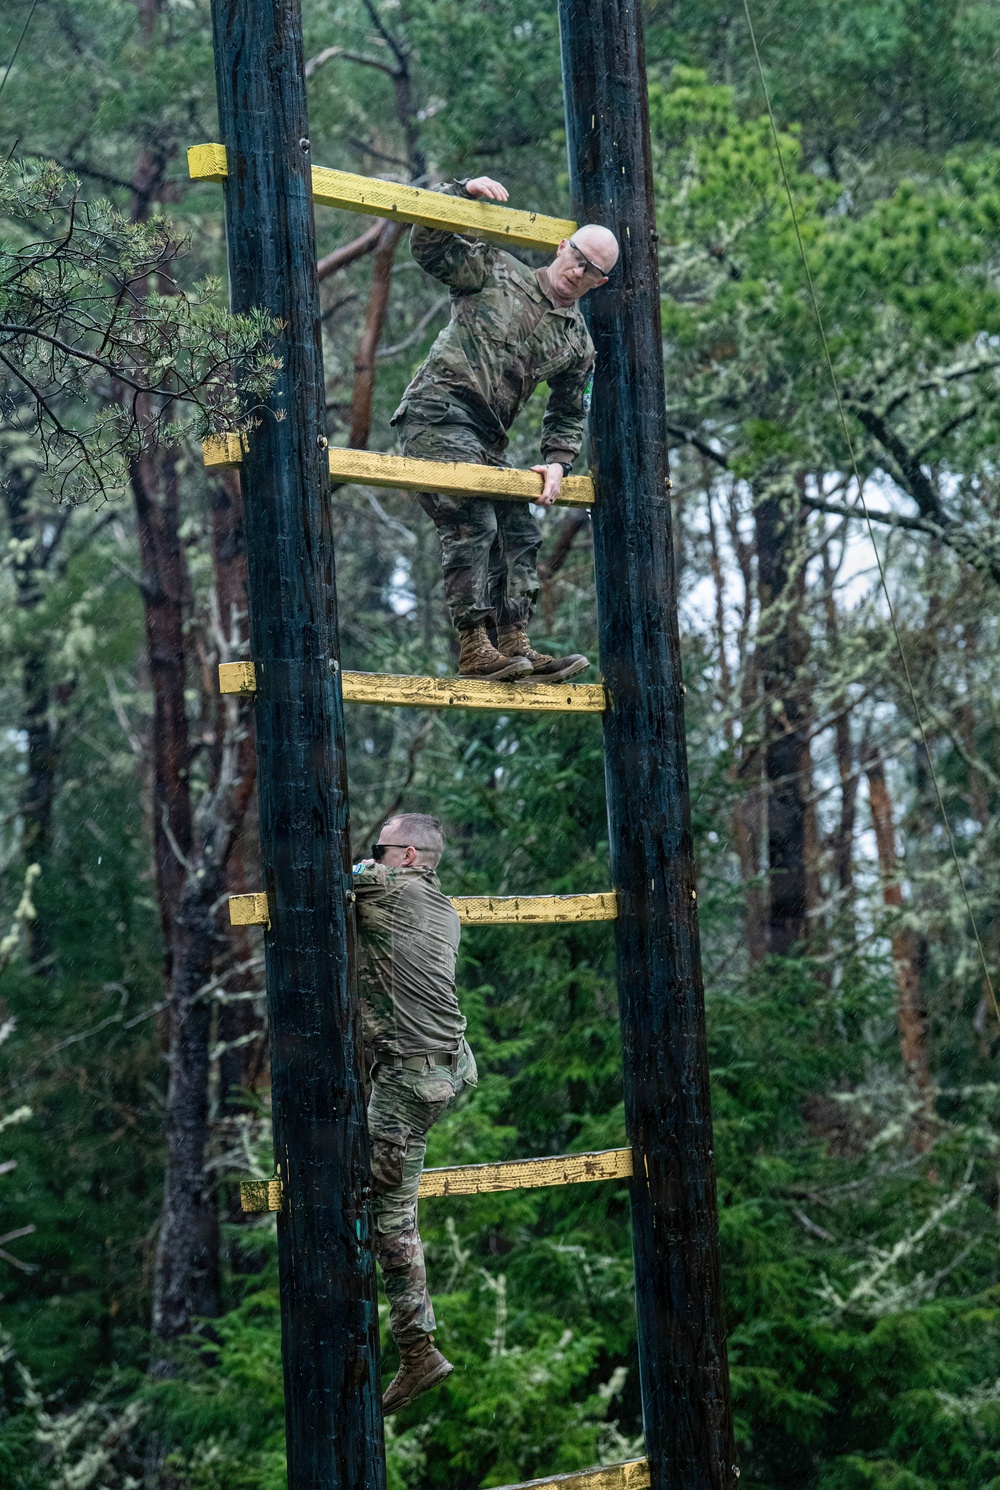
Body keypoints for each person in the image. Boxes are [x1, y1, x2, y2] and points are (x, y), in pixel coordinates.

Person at [392, 176, 620, 683]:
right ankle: (475, 646)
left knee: (518, 524)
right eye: (576, 257)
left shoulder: (577, 343)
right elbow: (428, 246)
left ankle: (515, 645)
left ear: (599, 282)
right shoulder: (495, 270)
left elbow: (568, 411)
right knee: (473, 518)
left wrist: (558, 463)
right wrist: (461, 193)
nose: (577, 271)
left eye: (591, 270)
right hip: (435, 413)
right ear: (562, 247)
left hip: (485, 438)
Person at [353, 812, 477, 1415]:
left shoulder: (389, 888)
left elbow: (329, 877)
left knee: (390, 1215)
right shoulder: (444, 907)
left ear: (405, 857)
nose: (370, 857)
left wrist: (360, 870)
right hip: (448, 1067)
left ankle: (417, 1348)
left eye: (378, 849)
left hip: (411, 1078)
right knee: (390, 1190)